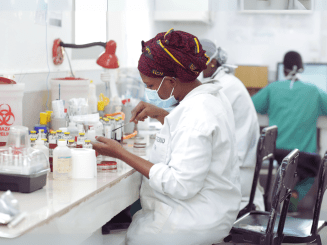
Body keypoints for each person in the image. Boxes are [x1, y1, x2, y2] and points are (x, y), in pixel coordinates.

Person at [92, 29, 241, 245]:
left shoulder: (197, 114)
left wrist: (120, 153)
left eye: (151, 86)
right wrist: (162, 114)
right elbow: (189, 136)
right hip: (208, 210)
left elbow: (180, 184)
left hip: (188, 221)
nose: (149, 92)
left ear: (171, 81)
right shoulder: (210, 97)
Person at [252, 51, 327, 212]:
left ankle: (277, 201)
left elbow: (253, 105)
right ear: (301, 68)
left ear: (284, 70)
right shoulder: (313, 90)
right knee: (315, 170)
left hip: (276, 152)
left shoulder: (273, 88)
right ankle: (293, 196)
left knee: (285, 170)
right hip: (304, 155)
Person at [198, 39, 265, 212]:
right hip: (241, 168)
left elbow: (197, 122)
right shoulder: (225, 82)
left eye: (196, 61)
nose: (192, 68)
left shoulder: (222, 87)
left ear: (212, 62)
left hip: (237, 174)